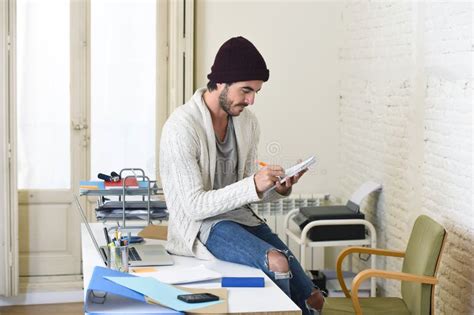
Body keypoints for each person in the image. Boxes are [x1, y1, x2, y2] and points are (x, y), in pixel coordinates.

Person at [159, 36, 324, 314]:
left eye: (256, 92)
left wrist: (278, 189)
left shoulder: (247, 123)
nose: (251, 100)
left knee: (314, 300)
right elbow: (193, 206)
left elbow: (249, 192)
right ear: (221, 82)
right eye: (246, 90)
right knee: (277, 263)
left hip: (240, 217)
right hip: (204, 225)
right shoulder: (181, 127)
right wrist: (253, 184)